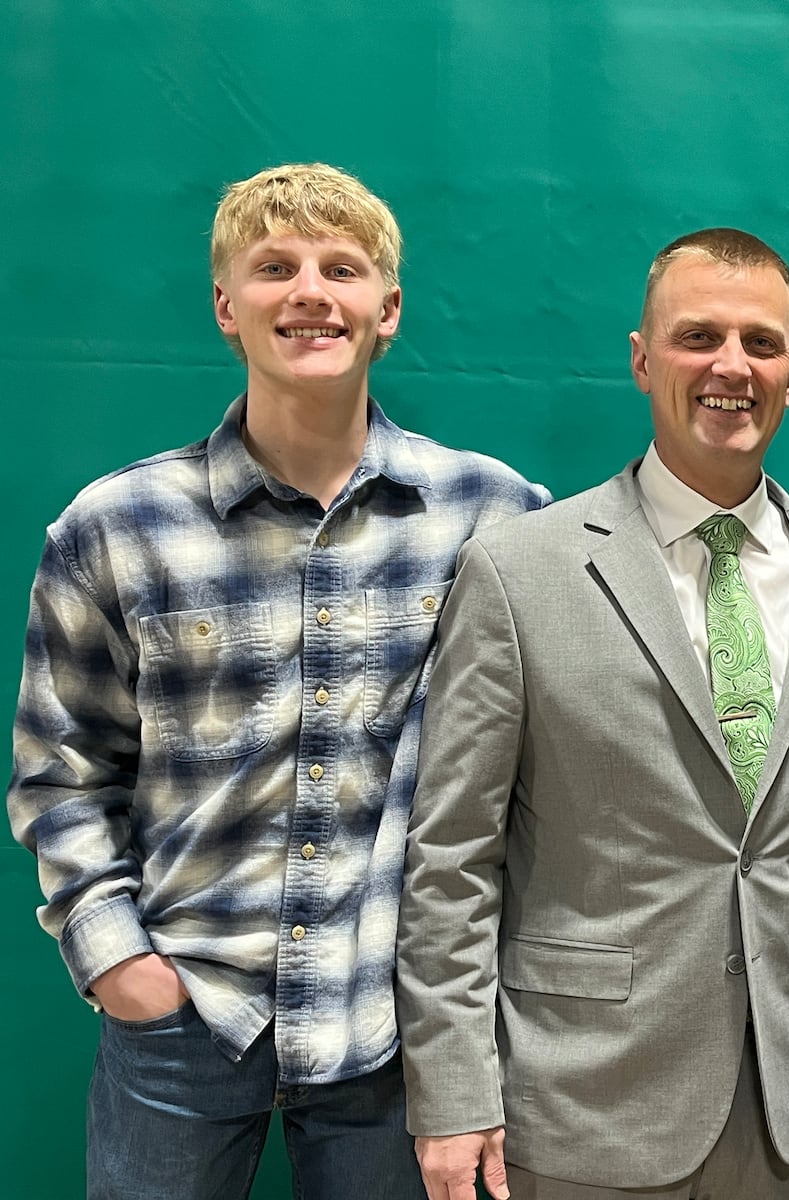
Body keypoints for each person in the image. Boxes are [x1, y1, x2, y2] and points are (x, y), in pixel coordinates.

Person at [5, 162, 550, 1200]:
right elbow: (61, 773)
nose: (309, 291)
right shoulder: (115, 526)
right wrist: (122, 964)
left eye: (341, 269)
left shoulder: (496, 515)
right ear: (225, 306)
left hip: (392, 1031)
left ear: (386, 310)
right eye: (274, 267)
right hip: (182, 1024)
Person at [394, 227, 789, 1200]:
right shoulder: (520, 572)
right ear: (642, 359)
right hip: (579, 1108)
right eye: (698, 336)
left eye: (760, 343)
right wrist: (450, 1096)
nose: (730, 366)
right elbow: (452, 858)